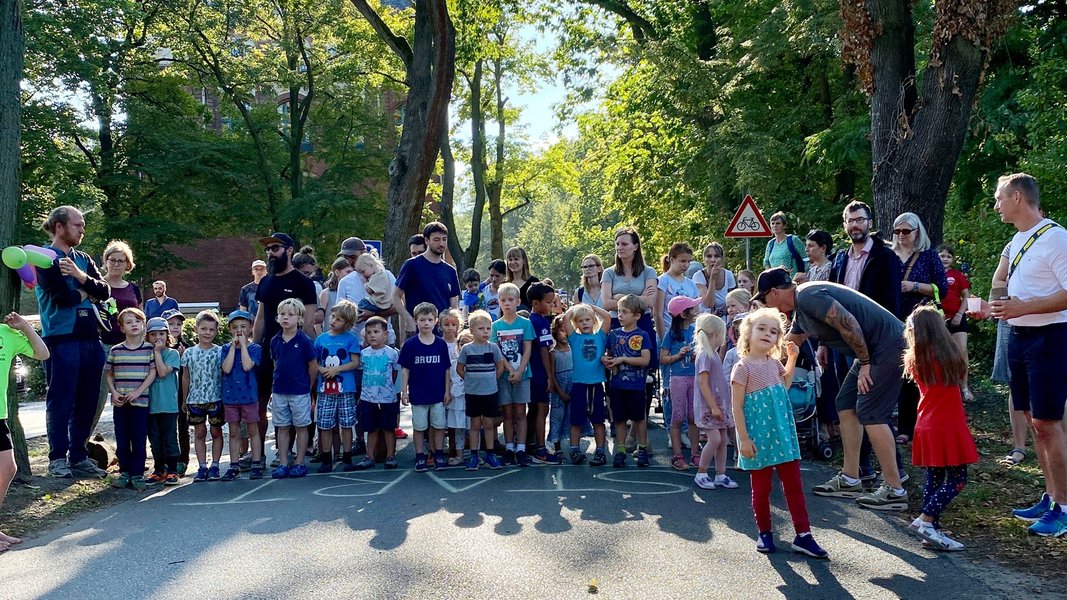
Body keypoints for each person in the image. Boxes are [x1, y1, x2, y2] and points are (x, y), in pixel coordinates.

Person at [755, 268, 908, 511]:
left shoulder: (807, 296)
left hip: (887, 349)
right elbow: (790, 344)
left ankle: (894, 490)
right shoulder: (802, 307)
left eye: (763, 300)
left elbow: (848, 323)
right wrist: (756, 364)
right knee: (845, 404)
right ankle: (850, 479)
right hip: (873, 351)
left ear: (774, 293)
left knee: (871, 413)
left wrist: (866, 363)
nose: (765, 307)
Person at [980, 173, 1067, 537]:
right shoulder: (1017, 240)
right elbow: (1009, 292)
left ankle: (1063, 507)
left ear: (1017, 197)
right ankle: (1049, 497)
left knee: (1048, 422)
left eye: (1000, 198)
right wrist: (994, 308)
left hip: (1050, 338)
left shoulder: (1057, 237)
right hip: (1019, 336)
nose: (996, 205)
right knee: (1034, 419)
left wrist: (1023, 308)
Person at [730, 308, 827, 558]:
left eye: (773, 331)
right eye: (761, 329)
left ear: (777, 339)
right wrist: (744, 439)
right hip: (758, 440)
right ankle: (765, 532)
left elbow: (784, 384)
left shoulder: (773, 363)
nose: (767, 334)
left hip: (783, 435)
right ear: (748, 333)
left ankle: (803, 535)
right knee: (761, 491)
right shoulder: (742, 369)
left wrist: (791, 359)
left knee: (794, 486)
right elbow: (737, 407)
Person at [35, 206, 110, 479]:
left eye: (83, 225)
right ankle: (57, 458)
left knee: (88, 401)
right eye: (77, 225)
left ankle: (79, 456)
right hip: (61, 339)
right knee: (61, 401)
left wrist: (80, 278)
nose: (82, 230)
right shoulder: (45, 259)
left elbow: (105, 290)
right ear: (59, 226)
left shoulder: (83, 259)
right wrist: (88, 292)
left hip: (91, 338)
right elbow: (62, 299)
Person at [904, 306, 978, 551]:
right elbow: (960, 374)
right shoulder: (948, 355)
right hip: (947, 424)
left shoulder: (916, 357)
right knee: (957, 478)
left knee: (934, 477)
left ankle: (932, 531)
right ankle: (926, 519)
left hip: (926, 422)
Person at [253, 233, 318, 458]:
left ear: (289, 250)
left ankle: (293, 451)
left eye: (275, 248)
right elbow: (260, 318)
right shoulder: (265, 282)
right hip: (268, 350)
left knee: (295, 402)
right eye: (268, 249)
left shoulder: (304, 283)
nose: (271, 253)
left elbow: (308, 322)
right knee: (259, 403)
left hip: (295, 352)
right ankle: (258, 454)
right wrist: (253, 347)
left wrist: (310, 355)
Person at [892, 212, 948, 444]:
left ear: (917, 232)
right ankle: (904, 428)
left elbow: (942, 289)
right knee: (900, 373)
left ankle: (925, 426)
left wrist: (914, 285)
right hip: (893, 319)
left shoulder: (928, 257)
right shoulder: (889, 256)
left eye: (906, 231)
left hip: (922, 323)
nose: (902, 236)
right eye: (898, 231)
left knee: (921, 373)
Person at [0, 312, 49, 552]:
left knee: (8, 470)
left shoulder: (6, 333)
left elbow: (43, 353)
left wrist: (26, 327)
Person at [601, 227, 659, 419]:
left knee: (644, 373)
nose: (620, 247)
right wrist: (636, 298)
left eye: (624, 244)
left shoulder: (648, 271)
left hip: (641, 324)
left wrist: (619, 297)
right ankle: (617, 420)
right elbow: (606, 302)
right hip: (617, 325)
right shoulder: (609, 273)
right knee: (615, 369)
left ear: (635, 246)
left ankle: (640, 422)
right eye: (617, 244)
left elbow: (650, 302)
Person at [105, 308, 156, 491]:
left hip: (140, 402)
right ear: (121, 327)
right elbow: (109, 374)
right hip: (120, 403)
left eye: (137, 321)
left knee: (139, 439)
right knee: (122, 438)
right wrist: (114, 392)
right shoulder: (116, 350)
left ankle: (137, 474)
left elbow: (152, 372)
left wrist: (139, 391)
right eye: (128, 322)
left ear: (143, 325)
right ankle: (124, 472)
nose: (133, 324)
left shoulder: (149, 349)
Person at [399, 302, 452, 472]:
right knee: (419, 426)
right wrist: (404, 391)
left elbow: (446, 369)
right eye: (422, 320)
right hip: (418, 393)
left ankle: (438, 453)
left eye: (429, 319)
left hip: (437, 393)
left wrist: (447, 391)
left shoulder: (441, 344)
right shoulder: (410, 345)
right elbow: (405, 370)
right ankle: (420, 455)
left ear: (436, 321)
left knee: (438, 426)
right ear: (416, 321)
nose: (426, 323)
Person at [96, 241, 143, 433]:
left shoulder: (133, 289)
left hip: (130, 350)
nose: (116, 264)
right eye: (112, 260)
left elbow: (141, 318)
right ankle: (79, 450)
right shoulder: (96, 285)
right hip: (102, 346)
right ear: (105, 261)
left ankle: (133, 449)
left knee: (132, 400)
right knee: (97, 400)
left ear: (127, 264)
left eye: (121, 261)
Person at [313, 300, 364, 473]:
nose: (334, 321)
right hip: (325, 389)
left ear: (348, 324)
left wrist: (337, 369)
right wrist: (322, 369)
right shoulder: (321, 339)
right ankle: (326, 459)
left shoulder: (351, 340)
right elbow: (315, 363)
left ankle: (347, 457)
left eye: (339, 319)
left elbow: (355, 363)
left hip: (346, 389)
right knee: (325, 424)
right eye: (333, 316)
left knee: (347, 423)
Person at [269, 299, 317, 479]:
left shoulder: (305, 341)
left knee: (301, 426)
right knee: (282, 427)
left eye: (290, 314)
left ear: (299, 319)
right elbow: (276, 363)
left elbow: (312, 366)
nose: (285, 318)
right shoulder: (275, 341)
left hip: (300, 391)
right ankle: (283, 462)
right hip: (280, 390)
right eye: (282, 314)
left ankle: (299, 462)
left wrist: (308, 386)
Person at [829, 200, 902, 318]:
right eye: (850, 221)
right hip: (843, 328)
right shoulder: (840, 258)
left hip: (874, 327)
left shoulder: (886, 256)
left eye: (860, 220)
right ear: (845, 225)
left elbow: (893, 300)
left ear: (870, 223)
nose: (855, 225)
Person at [605, 294, 653, 469]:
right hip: (617, 385)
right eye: (619, 311)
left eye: (624, 312)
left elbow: (645, 360)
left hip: (636, 386)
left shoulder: (642, 335)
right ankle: (620, 450)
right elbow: (608, 355)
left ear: (637, 315)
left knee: (639, 419)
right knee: (619, 419)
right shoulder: (613, 334)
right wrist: (607, 360)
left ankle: (642, 449)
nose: (620, 315)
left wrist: (622, 359)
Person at [562, 303, 612, 466]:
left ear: (593, 321)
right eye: (581, 321)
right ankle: (575, 450)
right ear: (576, 324)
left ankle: (600, 452)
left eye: (588, 320)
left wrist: (591, 307)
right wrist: (576, 307)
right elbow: (565, 318)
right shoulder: (574, 338)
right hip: (579, 385)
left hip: (596, 385)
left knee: (598, 421)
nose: (584, 323)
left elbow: (608, 317)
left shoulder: (600, 337)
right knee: (576, 420)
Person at [491, 283, 535, 467]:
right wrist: (510, 370)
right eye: (503, 300)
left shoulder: (525, 323)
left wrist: (519, 371)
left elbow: (527, 349)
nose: (507, 304)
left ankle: (521, 448)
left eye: (510, 300)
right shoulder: (495, 326)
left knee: (520, 412)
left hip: (523, 374)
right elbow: (498, 352)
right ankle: (509, 447)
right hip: (504, 376)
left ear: (518, 301)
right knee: (507, 413)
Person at [692, 313, 737, 490]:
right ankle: (701, 472)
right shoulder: (705, 355)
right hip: (709, 406)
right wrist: (713, 406)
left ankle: (720, 474)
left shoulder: (714, 354)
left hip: (719, 404)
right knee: (715, 439)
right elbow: (703, 383)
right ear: (715, 334)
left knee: (723, 439)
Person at [394, 222, 461, 338]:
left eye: (444, 239)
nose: (441, 243)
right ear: (427, 241)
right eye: (436, 239)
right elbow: (395, 296)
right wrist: (408, 319)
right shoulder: (412, 265)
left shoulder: (450, 270)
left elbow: (453, 304)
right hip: (417, 332)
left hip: (441, 335)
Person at [457, 310, 506, 470]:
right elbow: (459, 368)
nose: (485, 332)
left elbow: (500, 367)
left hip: (490, 393)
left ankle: (490, 454)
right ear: (471, 330)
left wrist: (492, 380)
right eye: (481, 328)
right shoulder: (466, 349)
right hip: (473, 394)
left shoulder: (493, 348)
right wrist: (470, 380)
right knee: (475, 424)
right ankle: (474, 455)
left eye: (488, 328)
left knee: (489, 424)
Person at [220, 310, 264, 481]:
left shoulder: (255, 348)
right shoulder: (225, 349)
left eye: (243, 327)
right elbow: (226, 368)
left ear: (251, 328)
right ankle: (233, 464)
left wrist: (244, 346)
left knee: (253, 430)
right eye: (235, 327)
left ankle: (256, 462)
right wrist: (233, 347)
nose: (239, 331)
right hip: (230, 398)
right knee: (233, 432)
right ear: (230, 329)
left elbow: (247, 366)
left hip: (249, 397)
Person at [182, 310, 224, 482]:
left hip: (215, 398)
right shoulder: (189, 353)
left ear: (216, 331)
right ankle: (201, 466)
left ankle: (215, 465)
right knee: (199, 433)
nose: (207, 333)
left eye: (211, 330)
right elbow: (186, 377)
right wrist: (185, 399)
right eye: (204, 329)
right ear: (196, 329)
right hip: (195, 399)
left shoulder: (221, 352)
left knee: (216, 432)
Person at [660, 296, 701, 470]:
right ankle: (677, 455)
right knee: (677, 416)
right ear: (684, 314)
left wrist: (696, 355)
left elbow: (704, 353)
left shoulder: (696, 331)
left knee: (693, 416)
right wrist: (678, 356)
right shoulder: (671, 335)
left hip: (695, 378)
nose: (695, 310)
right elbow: (662, 358)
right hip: (677, 379)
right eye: (692, 308)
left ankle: (695, 453)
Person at [358, 317, 401, 469]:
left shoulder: (392, 353)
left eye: (376, 332)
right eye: (369, 333)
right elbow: (362, 372)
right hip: (368, 398)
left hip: (388, 398)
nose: (372, 335)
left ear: (385, 334)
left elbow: (395, 372)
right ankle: (370, 456)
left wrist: (388, 388)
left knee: (389, 428)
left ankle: (391, 455)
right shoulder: (363, 354)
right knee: (371, 428)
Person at [527, 283, 563, 464]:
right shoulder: (540, 322)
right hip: (539, 373)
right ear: (535, 303)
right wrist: (550, 376)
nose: (551, 305)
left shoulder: (530, 321)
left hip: (530, 372)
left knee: (533, 409)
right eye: (549, 302)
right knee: (542, 408)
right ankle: (540, 449)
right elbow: (544, 351)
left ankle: (528, 443)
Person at [145, 317, 181, 486]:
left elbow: (162, 373)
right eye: (153, 334)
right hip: (150, 406)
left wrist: (158, 352)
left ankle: (172, 470)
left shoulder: (172, 354)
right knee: (155, 439)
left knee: (169, 438)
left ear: (167, 335)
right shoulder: (144, 354)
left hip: (168, 406)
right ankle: (159, 469)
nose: (157, 337)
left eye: (161, 333)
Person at [937, 244, 974, 401]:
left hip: (957, 317)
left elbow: (966, 295)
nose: (945, 259)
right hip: (937, 319)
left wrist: (960, 314)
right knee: (941, 355)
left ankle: (964, 387)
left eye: (948, 256)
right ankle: (947, 389)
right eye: (942, 256)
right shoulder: (932, 274)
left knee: (961, 351)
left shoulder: (957, 275)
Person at [161, 308, 191, 475]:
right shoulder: (158, 347)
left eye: (178, 324)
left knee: (182, 426)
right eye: (171, 324)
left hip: (180, 392)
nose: (175, 327)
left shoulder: (186, 347)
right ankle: (166, 460)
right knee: (165, 426)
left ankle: (183, 460)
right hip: (164, 392)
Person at [440, 310, 468, 465]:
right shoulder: (438, 344)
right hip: (444, 386)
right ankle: (440, 448)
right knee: (442, 420)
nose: (450, 328)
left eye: (454, 324)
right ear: (440, 326)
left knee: (459, 420)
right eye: (446, 324)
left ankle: (459, 450)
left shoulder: (462, 342)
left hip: (460, 387)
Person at [547, 316, 578, 455]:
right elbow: (552, 373)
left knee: (573, 414)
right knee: (557, 415)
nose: (564, 334)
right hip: (560, 387)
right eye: (561, 331)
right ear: (555, 332)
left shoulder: (573, 349)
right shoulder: (553, 353)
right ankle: (557, 445)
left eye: (567, 331)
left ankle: (574, 445)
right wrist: (559, 391)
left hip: (573, 384)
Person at [693, 242, 736, 316]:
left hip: (724, 318)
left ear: (722, 259)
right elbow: (709, 304)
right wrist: (712, 279)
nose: (713, 260)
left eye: (716, 256)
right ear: (704, 259)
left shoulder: (728, 275)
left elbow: (732, 301)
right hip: (705, 317)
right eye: (709, 256)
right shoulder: (698, 276)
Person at [762, 212, 807, 277]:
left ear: (784, 225)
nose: (775, 226)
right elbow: (766, 262)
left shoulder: (793, 240)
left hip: (792, 281)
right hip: (775, 282)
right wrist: (771, 275)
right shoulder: (770, 244)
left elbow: (806, 258)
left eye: (778, 223)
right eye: (772, 223)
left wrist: (805, 275)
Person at [355, 253, 394, 317]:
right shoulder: (383, 273)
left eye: (363, 271)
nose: (363, 275)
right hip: (384, 303)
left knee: (361, 304)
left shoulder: (376, 277)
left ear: (370, 265)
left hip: (379, 304)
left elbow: (369, 291)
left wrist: (365, 282)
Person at [317, 257, 352, 327]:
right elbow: (318, 321)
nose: (351, 275)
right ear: (337, 272)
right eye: (348, 272)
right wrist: (321, 337)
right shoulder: (326, 293)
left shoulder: (353, 293)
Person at [505, 246, 540, 311]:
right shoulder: (504, 284)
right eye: (510, 260)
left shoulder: (533, 282)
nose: (512, 262)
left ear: (524, 261)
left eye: (516, 259)